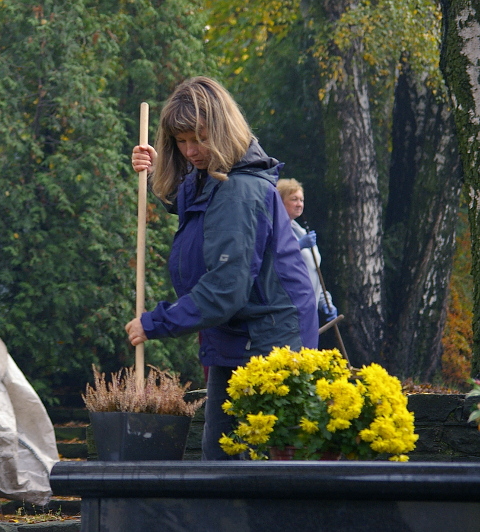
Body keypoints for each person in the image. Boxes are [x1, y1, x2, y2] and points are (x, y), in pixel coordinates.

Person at [125, 77, 318, 460]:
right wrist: (157, 168)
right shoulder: (214, 177)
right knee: (222, 460)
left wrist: (155, 322)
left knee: (251, 467)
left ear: (222, 130)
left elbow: (225, 290)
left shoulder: (240, 191)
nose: (191, 151)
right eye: (180, 141)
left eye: (198, 138)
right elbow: (193, 202)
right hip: (235, 337)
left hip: (269, 347)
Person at [276, 178, 338, 324]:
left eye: (301, 200)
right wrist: (299, 245)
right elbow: (275, 259)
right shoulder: (275, 230)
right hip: (288, 311)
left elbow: (314, 272)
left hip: (309, 310)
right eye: (294, 199)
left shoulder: (301, 231)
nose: (299, 204)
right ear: (280, 201)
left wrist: (325, 301)